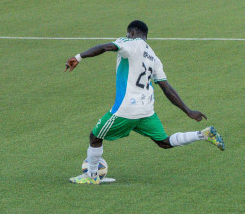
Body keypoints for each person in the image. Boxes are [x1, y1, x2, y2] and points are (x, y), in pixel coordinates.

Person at [64, 19, 224, 184]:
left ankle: (92, 176)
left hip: (126, 109)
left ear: (132, 33)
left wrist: (79, 57)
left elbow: (107, 47)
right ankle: (202, 134)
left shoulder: (129, 42)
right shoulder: (153, 57)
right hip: (146, 111)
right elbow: (167, 88)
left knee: (95, 137)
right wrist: (188, 111)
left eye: (127, 34)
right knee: (164, 142)